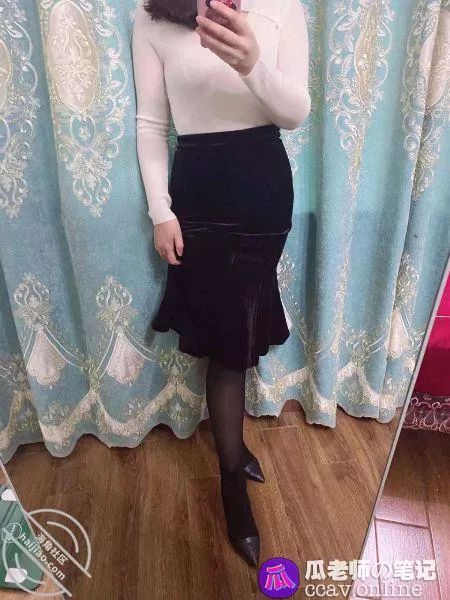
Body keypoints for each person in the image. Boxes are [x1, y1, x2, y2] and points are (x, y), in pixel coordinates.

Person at [132, 0, 311, 567]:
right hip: (199, 195)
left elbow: (295, 112)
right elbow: (151, 123)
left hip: (264, 192)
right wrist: (160, 211)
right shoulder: (154, 15)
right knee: (228, 348)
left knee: (244, 323)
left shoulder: (282, 6)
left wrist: (252, 62)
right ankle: (233, 483)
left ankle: (235, 451)